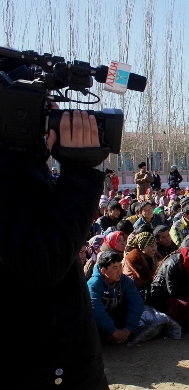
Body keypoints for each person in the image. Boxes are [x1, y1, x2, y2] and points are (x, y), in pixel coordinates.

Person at [0, 109, 109, 388]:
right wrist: (81, 176)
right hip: (43, 368)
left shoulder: (23, 169)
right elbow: (43, 262)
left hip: (63, 360)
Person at [149, 246, 189, 331]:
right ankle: (183, 320)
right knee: (187, 305)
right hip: (163, 294)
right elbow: (173, 291)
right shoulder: (172, 264)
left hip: (181, 288)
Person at [87, 251, 144, 344]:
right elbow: (96, 310)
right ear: (103, 271)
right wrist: (113, 331)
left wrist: (128, 328)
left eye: (120, 266)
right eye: (115, 268)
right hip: (99, 323)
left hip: (115, 318)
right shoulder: (94, 284)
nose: (119, 271)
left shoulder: (125, 281)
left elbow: (137, 303)